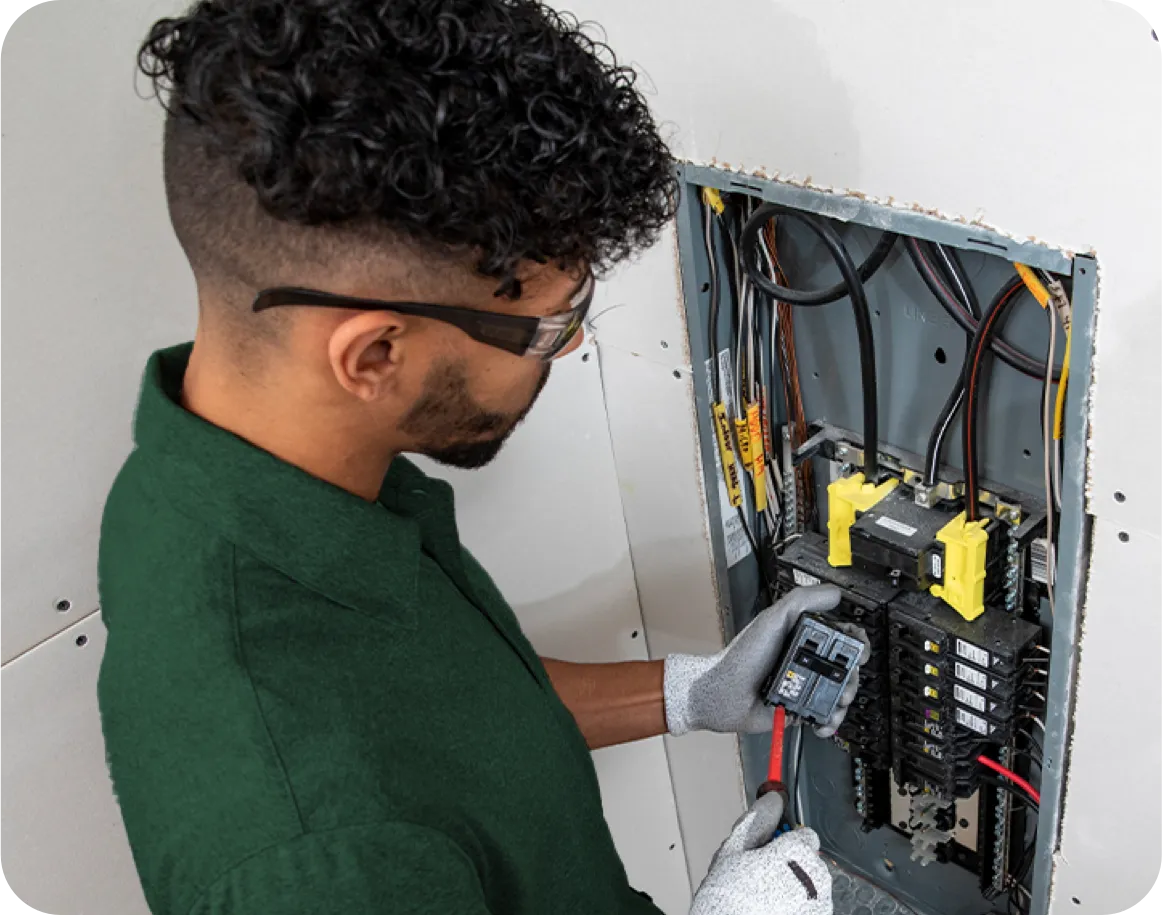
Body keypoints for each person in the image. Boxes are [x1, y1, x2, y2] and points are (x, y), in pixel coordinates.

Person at [97, 2, 861, 913]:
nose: (570, 350)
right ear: (375, 355)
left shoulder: (220, 483)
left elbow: (443, 733)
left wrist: (686, 693)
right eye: (552, 322)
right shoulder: (315, 864)